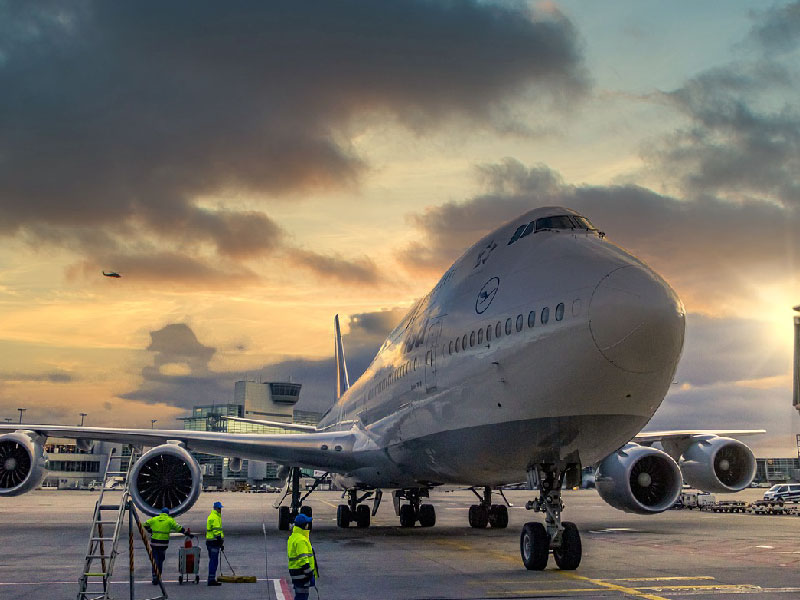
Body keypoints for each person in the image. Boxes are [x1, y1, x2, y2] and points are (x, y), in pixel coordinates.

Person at [143, 507, 187, 585]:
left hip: (154, 543)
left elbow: (145, 524)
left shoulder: (155, 519)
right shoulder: (169, 520)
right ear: (167, 513)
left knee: (155, 559)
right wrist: (186, 532)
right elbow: (178, 528)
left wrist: (150, 530)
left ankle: (154, 576)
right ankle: (158, 576)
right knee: (160, 560)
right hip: (163, 544)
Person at [287, 513, 318, 600]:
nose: (308, 525)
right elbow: (303, 559)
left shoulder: (294, 537)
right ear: (304, 525)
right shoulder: (301, 540)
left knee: (300, 594)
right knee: (302, 596)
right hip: (302, 573)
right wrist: (309, 573)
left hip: (296, 572)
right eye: (307, 523)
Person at [206, 501, 224, 586]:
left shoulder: (212, 516)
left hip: (211, 542)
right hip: (214, 542)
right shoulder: (215, 517)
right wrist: (220, 541)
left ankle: (211, 578)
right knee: (214, 561)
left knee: (213, 560)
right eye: (220, 508)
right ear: (216, 508)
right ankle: (211, 579)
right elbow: (216, 531)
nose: (221, 510)